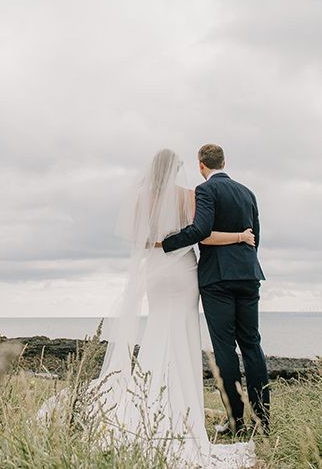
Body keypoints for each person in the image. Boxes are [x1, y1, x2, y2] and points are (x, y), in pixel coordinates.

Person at [35, 148, 256, 468]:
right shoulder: (188, 196)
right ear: (178, 170)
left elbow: (138, 241)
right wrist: (237, 236)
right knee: (183, 332)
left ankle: (146, 406)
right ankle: (184, 416)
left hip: (155, 271)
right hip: (182, 271)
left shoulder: (139, 199)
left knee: (158, 330)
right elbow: (201, 235)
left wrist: (155, 245)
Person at [161, 143, 270, 436]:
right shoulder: (248, 192)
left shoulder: (205, 190)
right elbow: (255, 236)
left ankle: (236, 422)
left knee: (225, 349)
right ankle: (263, 421)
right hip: (248, 275)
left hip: (217, 279)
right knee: (252, 345)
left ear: (201, 165)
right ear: (224, 161)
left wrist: (165, 245)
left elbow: (201, 230)